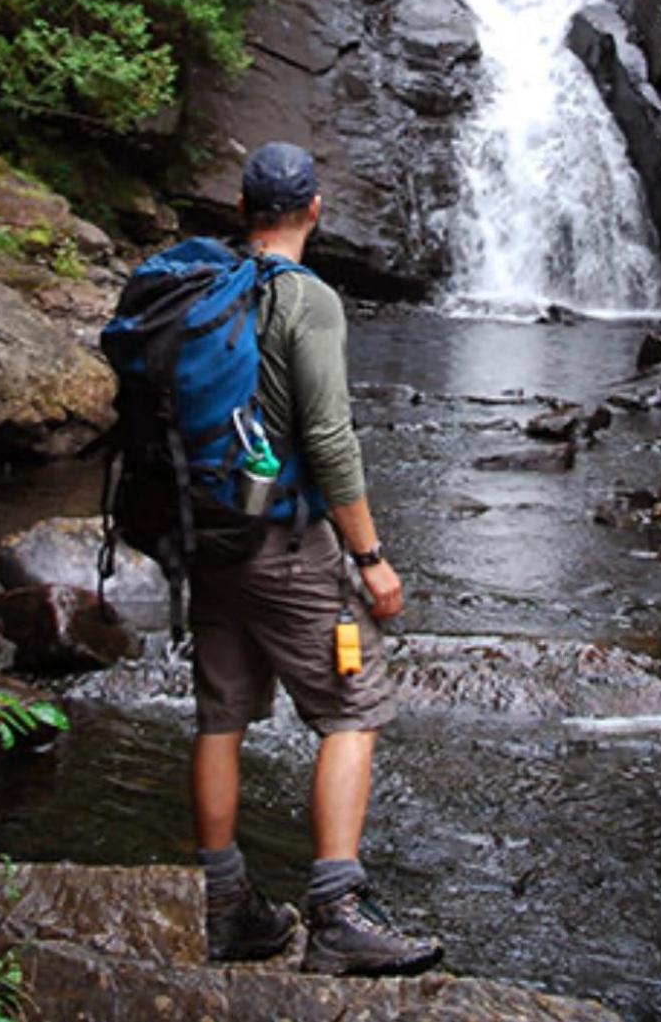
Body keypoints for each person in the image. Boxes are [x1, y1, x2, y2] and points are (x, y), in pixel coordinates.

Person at [189, 139, 442, 976]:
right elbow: (330, 439)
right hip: (284, 541)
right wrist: (370, 555)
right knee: (353, 708)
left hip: (207, 536)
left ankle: (223, 906)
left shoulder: (205, 289)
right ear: (316, 210)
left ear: (241, 209)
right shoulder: (308, 299)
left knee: (221, 717)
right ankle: (337, 913)